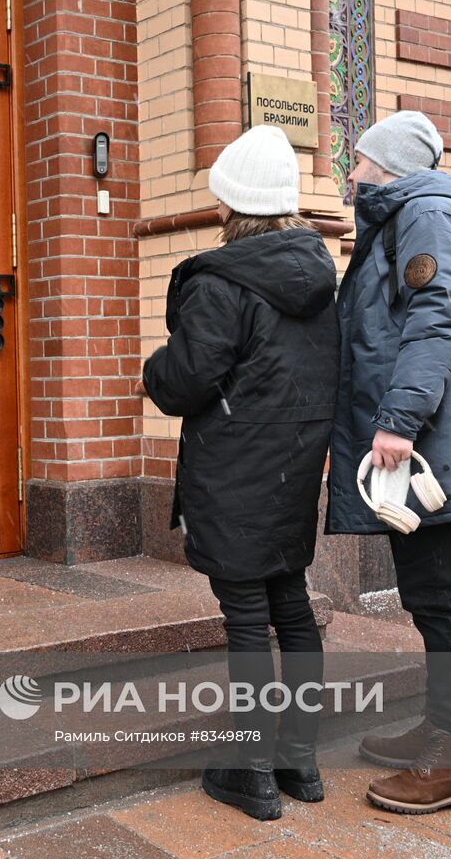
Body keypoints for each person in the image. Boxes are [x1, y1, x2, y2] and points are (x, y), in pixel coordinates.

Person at [142, 125, 340, 821]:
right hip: (294, 469)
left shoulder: (221, 281)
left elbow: (184, 380)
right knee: (293, 605)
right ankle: (302, 761)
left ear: (233, 203)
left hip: (233, 471)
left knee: (249, 619)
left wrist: (152, 368)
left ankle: (252, 772)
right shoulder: (319, 278)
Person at [326, 110, 451, 814]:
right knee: (430, 594)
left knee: (446, 596)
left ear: (391, 166)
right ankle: (440, 730)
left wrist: (398, 422)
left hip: (436, 438)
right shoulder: (411, 213)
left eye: (361, 160)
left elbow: (438, 313)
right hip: (434, 439)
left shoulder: (428, 210)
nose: (351, 171)